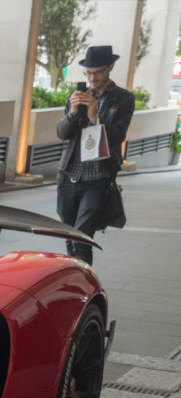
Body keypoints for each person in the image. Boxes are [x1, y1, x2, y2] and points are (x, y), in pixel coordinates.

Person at [55, 44, 135, 265]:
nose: (93, 77)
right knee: (68, 237)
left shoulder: (123, 99)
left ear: (110, 67)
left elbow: (118, 135)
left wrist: (94, 118)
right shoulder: (77, 95)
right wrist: (72, 113)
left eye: (98, 72)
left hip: (98, 178)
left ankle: (85, 291)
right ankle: (73, 285)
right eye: (89, 73)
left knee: (81, 238)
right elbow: (62, 133)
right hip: (69, 175)